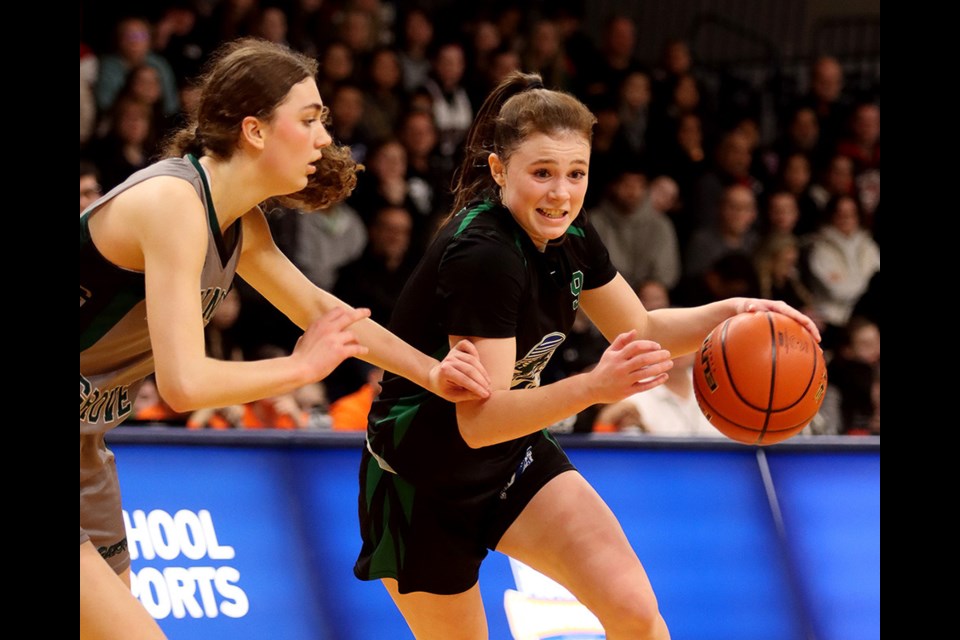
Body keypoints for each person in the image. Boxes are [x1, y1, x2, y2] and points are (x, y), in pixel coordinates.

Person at [353, 71, 820, 639]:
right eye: (542, 173)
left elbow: (642, 325)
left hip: (509, 457)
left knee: (636, 614)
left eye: (576, 173)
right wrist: (595, 387)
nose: (561, 192)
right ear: (499, 170)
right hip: (422, 480)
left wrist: (734, 312)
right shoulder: (485, 256)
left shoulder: (570, 233)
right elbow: (477, 421)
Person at [80, 38, 492, 640]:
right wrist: (301, 369)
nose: (324, 138)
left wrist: (429, 373)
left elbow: (323, 311)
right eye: (309, 118)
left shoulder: (235, 218)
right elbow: (185, 383)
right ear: (254, 130)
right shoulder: (172, 204)